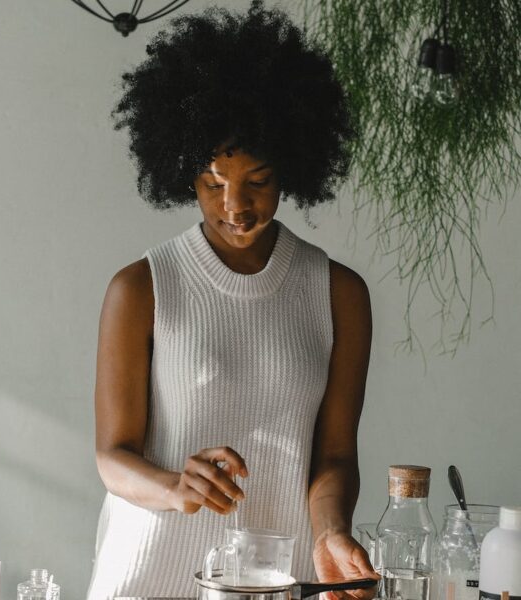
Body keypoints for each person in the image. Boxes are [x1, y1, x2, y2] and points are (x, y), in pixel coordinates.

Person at [87, 2, 379, 599]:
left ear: (293, 166)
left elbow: (333, 457)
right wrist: (175, 486)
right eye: (212, 183)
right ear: (181, 171)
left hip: (275, 580)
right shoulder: (141, 288)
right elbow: (112, 458)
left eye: (258, 180)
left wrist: (330, 534)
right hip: (148, 578)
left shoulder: (339, 294)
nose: (234, 206)